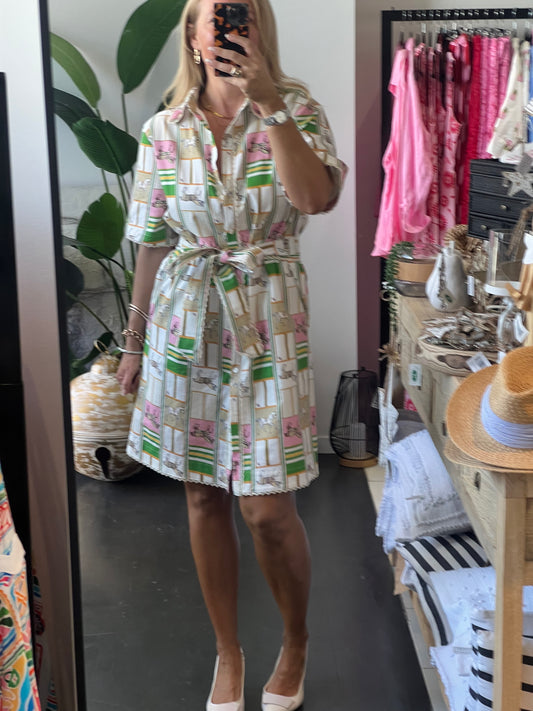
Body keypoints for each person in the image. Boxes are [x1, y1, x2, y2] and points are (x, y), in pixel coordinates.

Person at [116, 1, 346, 709]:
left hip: (268, 320)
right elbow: (151, 242)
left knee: (267, 509)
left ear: (258, 29)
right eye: (213, 18)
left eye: (237, 18)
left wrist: (269, 105)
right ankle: (228, 650)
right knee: (201, 493)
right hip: (186, 317)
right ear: (192, 34)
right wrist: (133, 341)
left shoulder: (297, 108)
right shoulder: (163, 130)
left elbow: (314, 198)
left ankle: (296, 640)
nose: (225, 30)